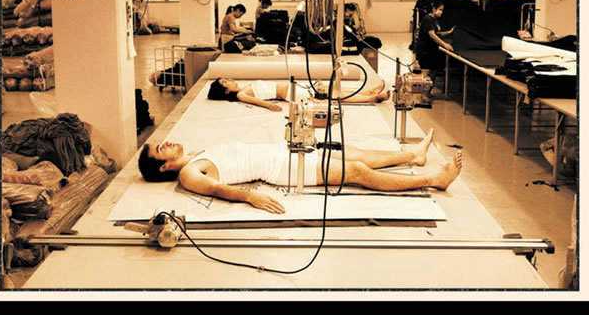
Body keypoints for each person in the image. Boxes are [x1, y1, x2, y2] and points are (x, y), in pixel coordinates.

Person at [137, 129, 463, 214]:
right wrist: (250, 197)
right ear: (164, 166)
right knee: (357, 171)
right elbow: (215, 189)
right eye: (161, 149)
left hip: (282, 151)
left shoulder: (196, 153)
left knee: (353, 152)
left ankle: (414, 155)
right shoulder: (189, 172)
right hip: (283, 168)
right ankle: (434, 180)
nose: (167, 143)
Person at [207, 78, 391, 111]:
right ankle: (373, 97)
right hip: (292, 93)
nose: (229, 79)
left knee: (333, 90)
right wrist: (271, 106)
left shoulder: (245, 86)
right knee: (334, 95)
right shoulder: (241, 94)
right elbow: (257, 101)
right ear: (226, 90)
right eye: (225, 82)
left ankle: (370, 91)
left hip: (292, 88)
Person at [414, 1, 455, 79]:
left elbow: (437, 33)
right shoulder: (428, 19)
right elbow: (432, 35)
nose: (441, 12)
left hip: (431, 50)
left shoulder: (434, 19)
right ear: (434, 9)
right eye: (440, 9)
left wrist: (449, 32)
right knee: (425, 73)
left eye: (442, 10)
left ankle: (429, 86)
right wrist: (445, 45)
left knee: (432, 72)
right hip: (424, 51)